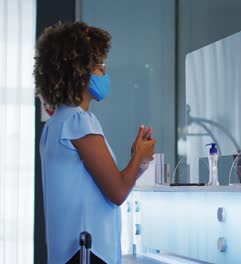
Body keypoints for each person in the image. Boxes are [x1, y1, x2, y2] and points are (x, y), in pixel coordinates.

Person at [34, 22, 156, 264]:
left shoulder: (56, 123)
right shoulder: (79, 122)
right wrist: (138, 157)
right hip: (88, 253)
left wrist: (138, 162)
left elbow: (98, 186)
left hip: (71, 253)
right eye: (100, 67)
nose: (104, 73)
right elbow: (118, 192)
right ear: (79, 72)